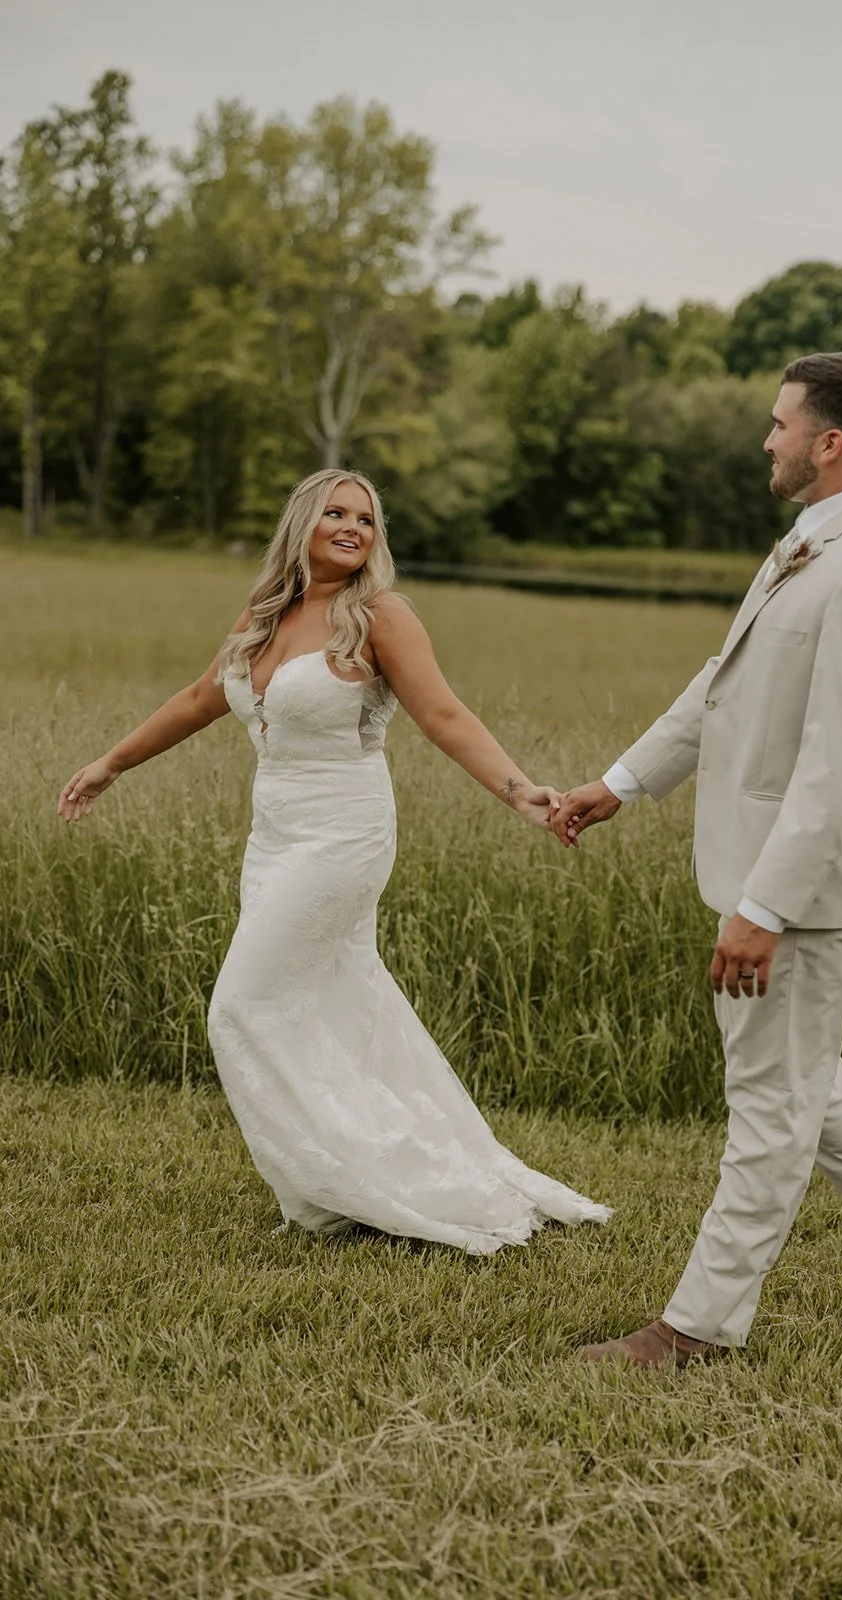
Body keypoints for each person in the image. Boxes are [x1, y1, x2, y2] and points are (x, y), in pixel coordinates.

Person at [553, 352, 842, 1365]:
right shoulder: (811, 540)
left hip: (797, 890)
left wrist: (763, 905)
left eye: (777, 423)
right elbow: (725, 681)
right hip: (763, 874)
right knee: (794, 1076)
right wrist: (620, 784)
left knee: (769, 1106)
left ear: (826, 442)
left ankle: (695, 1330)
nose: (766, 439)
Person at [58, 468, 610, 1253]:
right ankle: (350, 1180)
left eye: (368, 519)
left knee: (239, 1006)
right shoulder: (265, 614)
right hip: (274, 837)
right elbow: (196, 699)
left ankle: (349, 1176)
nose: (354, 527)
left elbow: (444, 714)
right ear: (304, 523)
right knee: (333, 1004)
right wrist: (110, 764)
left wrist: (519, 792)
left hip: (343, 836)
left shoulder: (378, 615)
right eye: (337, 513)